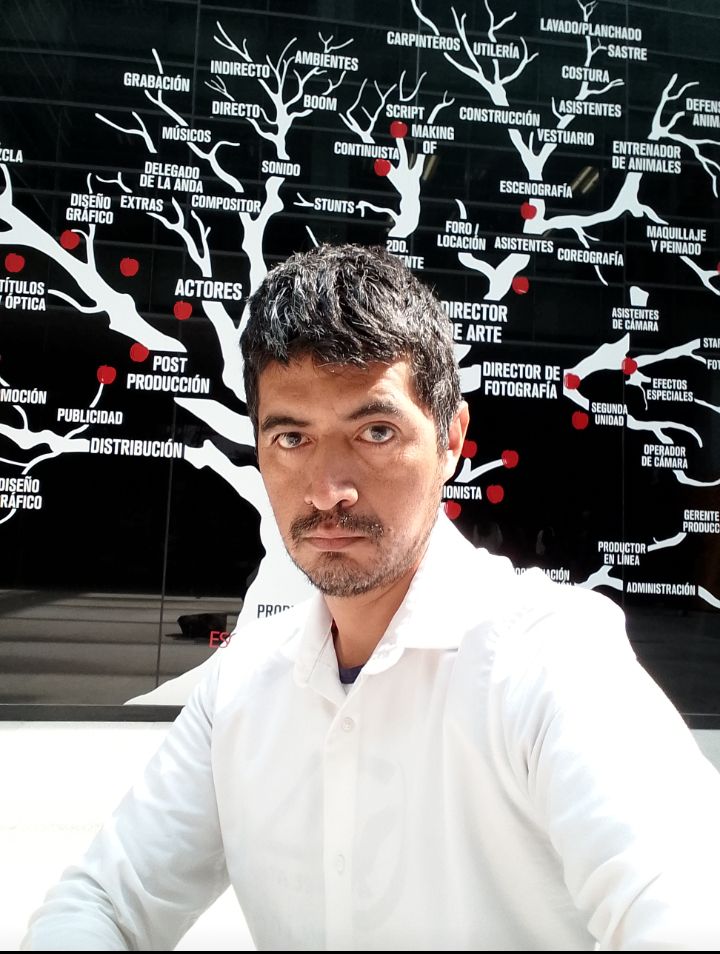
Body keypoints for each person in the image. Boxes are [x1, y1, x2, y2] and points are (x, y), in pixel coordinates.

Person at [22, 244, 720, 951]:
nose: (328, 490)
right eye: (291, 437)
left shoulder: (548, 660)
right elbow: (103, 903)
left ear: (451, 440)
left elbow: (686, 908)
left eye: (375, 432)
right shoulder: (242, 684)